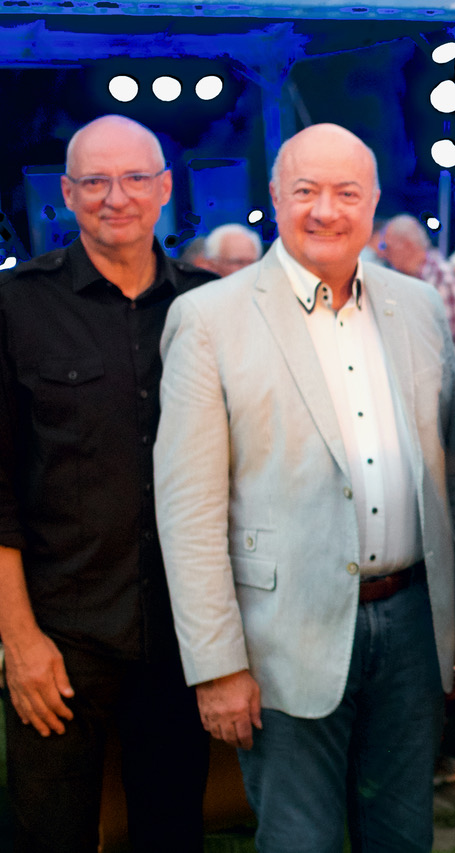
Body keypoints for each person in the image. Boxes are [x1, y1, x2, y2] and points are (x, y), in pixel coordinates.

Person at [153, 123, 455, 853]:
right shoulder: (207, 319)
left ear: (374, 203)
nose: (326, 210)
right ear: (275, 196)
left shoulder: (418, 306)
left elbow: (449, 477)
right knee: (301, 839)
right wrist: (218, 665)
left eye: (346, 193)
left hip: (411, 624)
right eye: (306, 191)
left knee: (403, 836)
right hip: (279, 640)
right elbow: (188, 511)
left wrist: (452, 623)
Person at [0, 114, 213, 852]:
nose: (114, 197)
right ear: (66, 193)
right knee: (50, 837)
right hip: (62, 638)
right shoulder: (15, 306)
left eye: (133, 179)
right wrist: (19, 640)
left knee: (172, 834)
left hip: (183, 636)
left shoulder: (207, 306)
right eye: (94, 181)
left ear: (164, 188)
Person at [382, 212, 455, 354]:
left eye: (387, 247)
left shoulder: (442, 280)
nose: (384, 254)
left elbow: (452, 349)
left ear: (407, 246)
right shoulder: (401, 277)